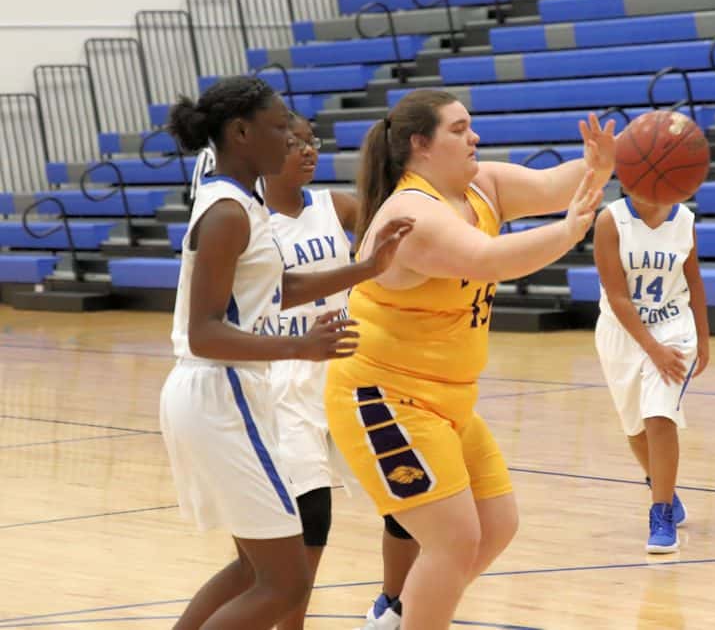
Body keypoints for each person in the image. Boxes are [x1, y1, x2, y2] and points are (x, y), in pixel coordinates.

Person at [323, 89, 615, 630]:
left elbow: (555, 186)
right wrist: (569, 230)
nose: (474, 137)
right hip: (383, 396)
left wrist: (601, 164)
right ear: (421, 144)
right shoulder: (409, 214)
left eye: (470, 126)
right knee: (453, 539)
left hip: (447, 396)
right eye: (458, 130)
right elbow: (488, 259)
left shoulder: (481, 185)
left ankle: (399, 617)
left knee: (497, 523)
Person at [159, 75, 412, 630]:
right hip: (221, 388)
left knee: (254, 571)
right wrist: (301, 345)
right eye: (280, 129)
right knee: (286, 582)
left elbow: (278, 288)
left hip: (223, 391)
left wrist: (367, 268)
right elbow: (204, 332)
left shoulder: (241, 203)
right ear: (241, 133)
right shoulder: (227, 212)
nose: (293, 140)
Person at [258, 113, 421, 630]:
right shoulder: (250, 222)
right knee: (310, 521)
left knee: (407, 499)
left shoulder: (338, 207)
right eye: (294, 143)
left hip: (353, 373)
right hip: (286, 380)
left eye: (313, 141)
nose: (308, 150)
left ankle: (390, 607)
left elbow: (398, 245)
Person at [593, 188, 710, 554]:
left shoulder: (684, 219)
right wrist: (651, 349)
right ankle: (666, 491)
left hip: (672, 328)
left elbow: (694, 281)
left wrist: (703, 339)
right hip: (621, 332)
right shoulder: (611, 221)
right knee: (635, 429)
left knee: (659, 417)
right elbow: (617, 296)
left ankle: (661, 515)